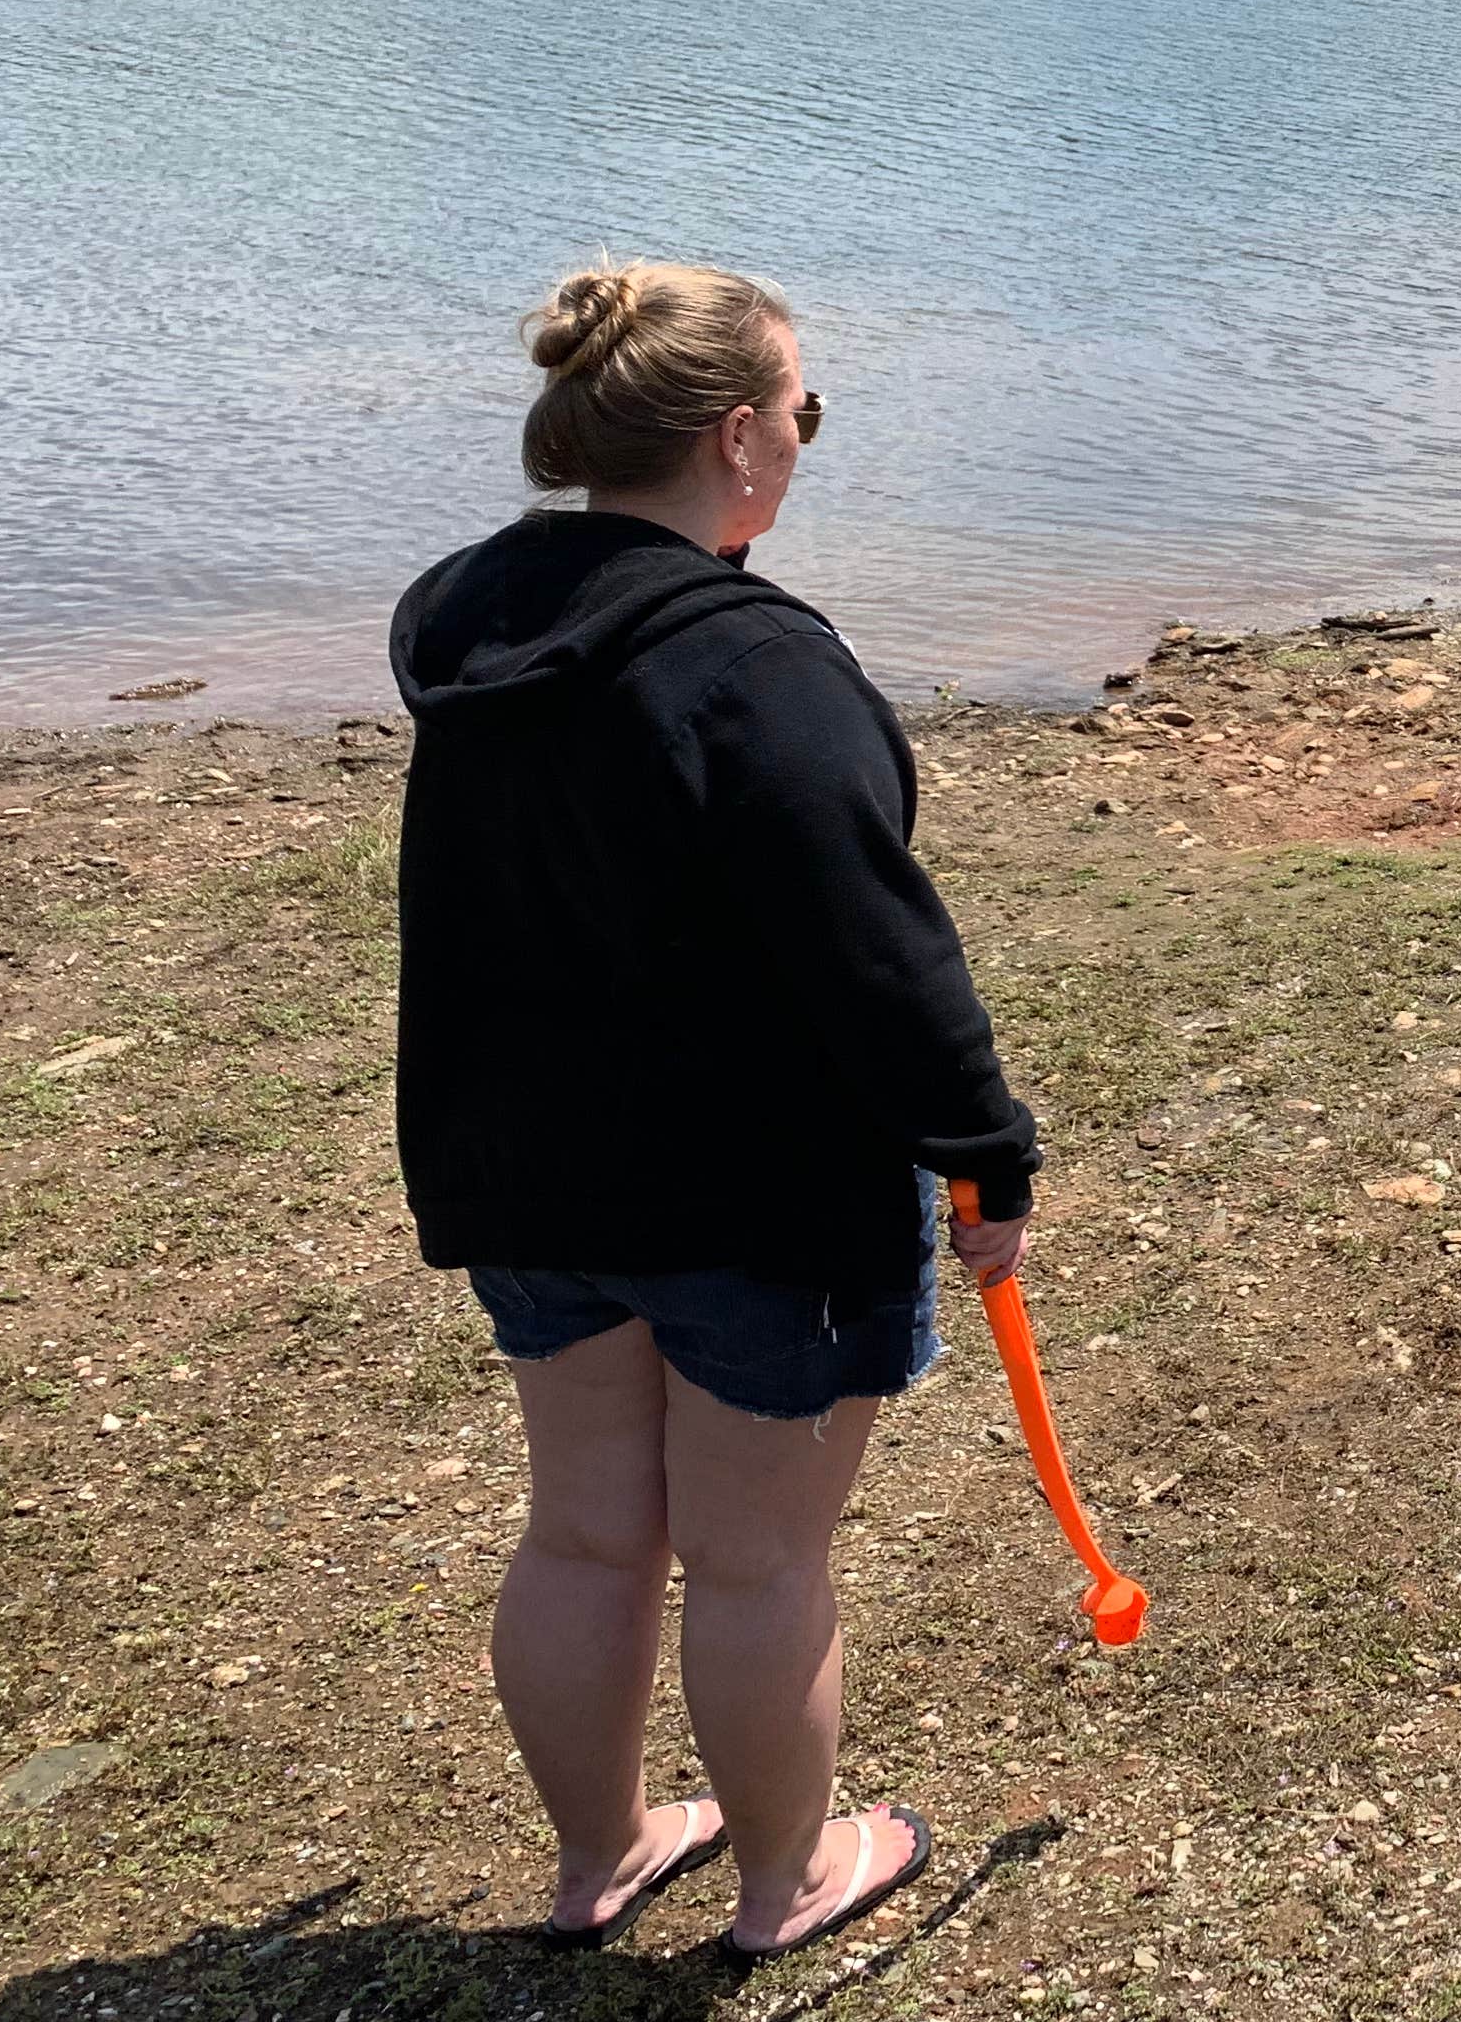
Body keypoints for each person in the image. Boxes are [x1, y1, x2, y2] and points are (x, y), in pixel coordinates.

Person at [389, 262, 1042, 1959]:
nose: (807, 442)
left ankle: (602, 1852)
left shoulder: (461, 616)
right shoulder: (757, 665)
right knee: (754, 1562)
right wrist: (987, 1152)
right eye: (803, 412)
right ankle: (785, 1876)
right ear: (740, 435)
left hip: (524, 1167)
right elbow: (880, 948)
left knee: (589, 1528)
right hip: (752, 1196)